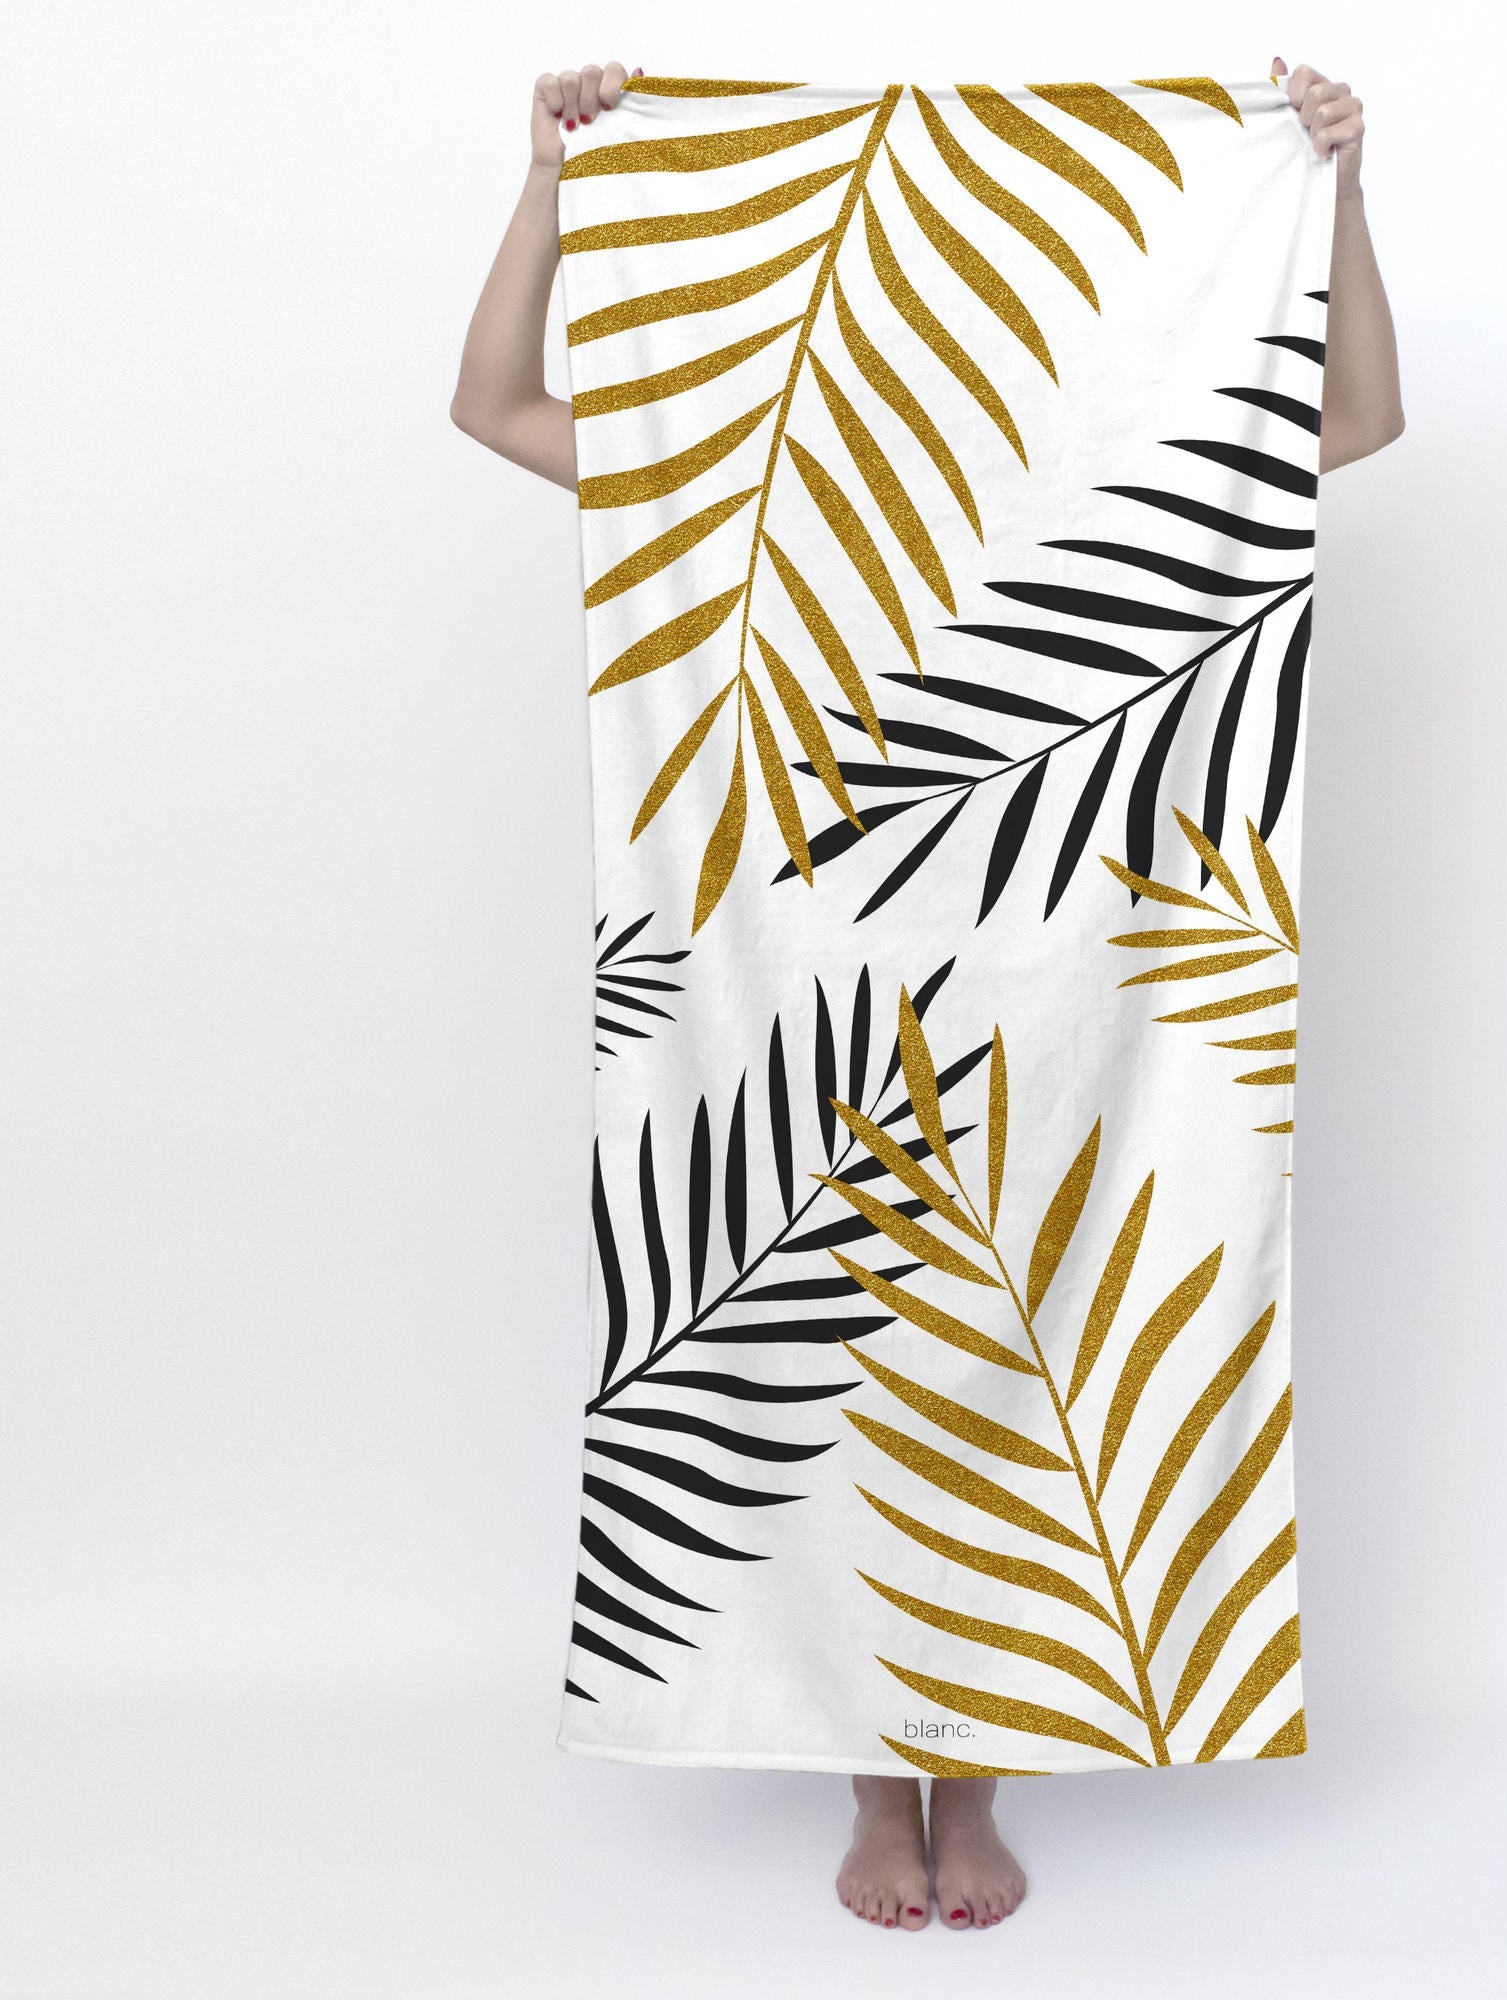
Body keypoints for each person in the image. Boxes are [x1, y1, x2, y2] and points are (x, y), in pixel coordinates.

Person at [452, 56, 1403, 1935]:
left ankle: (976, 1780)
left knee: (1020, 1329)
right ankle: (881, 1787)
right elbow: (492, 404)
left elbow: (1357, 417)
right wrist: (551, 177)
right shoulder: (738, 464)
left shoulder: (1121, 454)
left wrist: (1333, 196)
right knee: (835, 1347)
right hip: (792, 973)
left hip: (1070, 967)